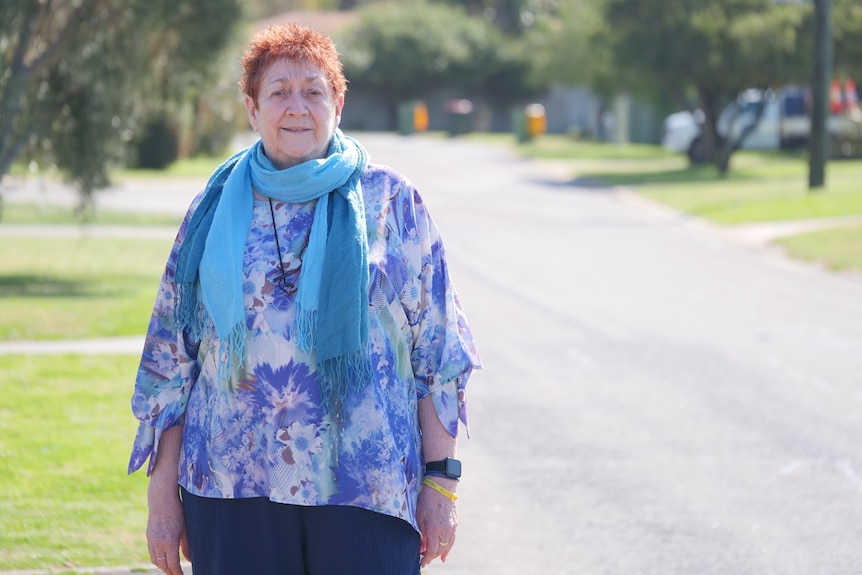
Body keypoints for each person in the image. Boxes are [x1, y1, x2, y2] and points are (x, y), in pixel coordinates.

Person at [127, 22, 481, 575]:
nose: (297, 106)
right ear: (251, 107)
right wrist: (161, 498)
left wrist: (442, 483)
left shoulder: (393, 202)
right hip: (230, 483)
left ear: (337, 102)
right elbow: (172, 363)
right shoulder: (211, 210)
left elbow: (438, 356)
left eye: (313, 90)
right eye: (278, 92)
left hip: (366, 487)